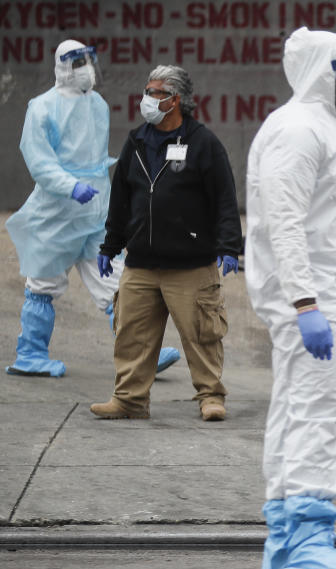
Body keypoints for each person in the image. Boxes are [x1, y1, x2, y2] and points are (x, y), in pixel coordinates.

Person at [245, 28, 336, 569]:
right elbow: (284, 222)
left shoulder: (324, 125)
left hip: (323, 295)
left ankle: (287, 535)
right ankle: (307, 539)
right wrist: (305, 301)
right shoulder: (299, 129)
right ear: (322, 69)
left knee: (294, 412)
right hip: (312, 298)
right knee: (318, 415)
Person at [5, 40, 180, 378]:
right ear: (63, 66)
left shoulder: (97, 104)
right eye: (79, 61)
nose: (86, 67)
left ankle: (142, 351)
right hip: (56, 215)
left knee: (116, 282)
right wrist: (70, 186)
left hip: (93, 213)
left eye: (89, 60)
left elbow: (97, 160)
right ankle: (31, 354)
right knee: (43, 284)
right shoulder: (42, 108)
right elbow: (39, 161)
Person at [90, 65, 241, 422]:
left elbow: (224, 198)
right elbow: (121, 198)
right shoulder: (137, 142)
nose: (147, 99)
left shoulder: (204, 143)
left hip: (190, 264)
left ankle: (210, 397)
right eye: (147, 90)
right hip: (141, 261)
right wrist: (110, 246)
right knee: (131, 334)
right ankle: (128, 400)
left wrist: (228, 246)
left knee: (202, 334)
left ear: (174, 100)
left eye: (154, 92)